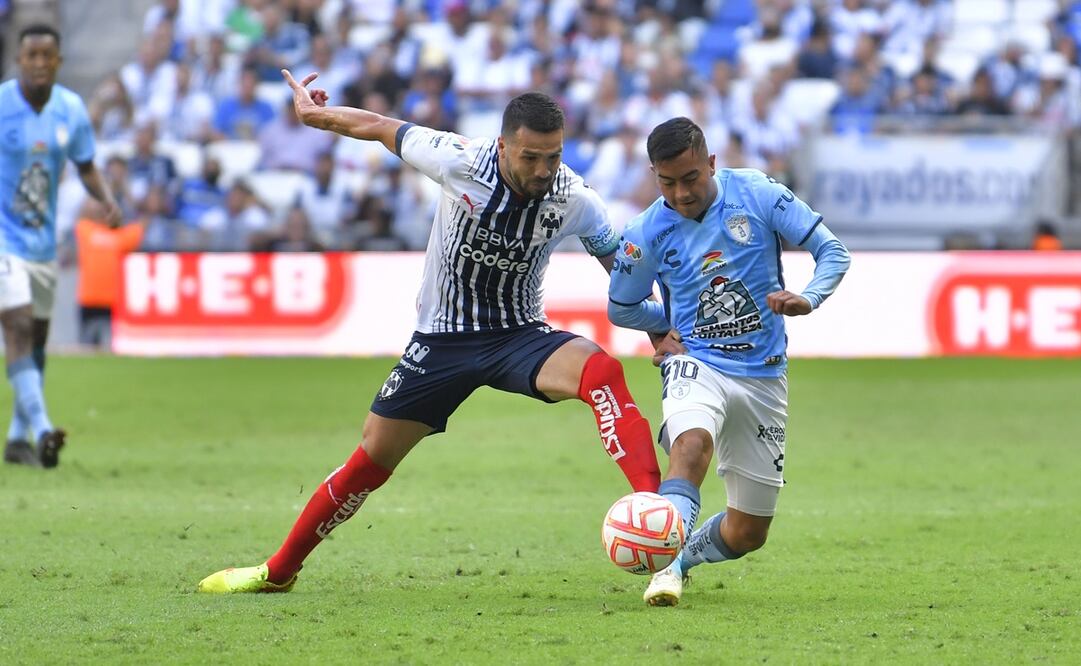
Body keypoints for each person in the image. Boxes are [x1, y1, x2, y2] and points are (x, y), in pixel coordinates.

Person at [196, 71, 662, 593]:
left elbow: (620, 271)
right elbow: (376, 125)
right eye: (530, 157)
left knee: (601, 370)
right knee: (369, 463)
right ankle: (277, 571)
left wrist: (659, 333)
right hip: (441, 340)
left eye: (553, 156)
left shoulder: (576, 197)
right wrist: (312, 115)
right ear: (503, 145)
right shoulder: (457, 159)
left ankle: (656, 521)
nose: (543, 169)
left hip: (519, 333)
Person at [607, 117, 850, 606]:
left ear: (711, 164)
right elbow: (621, 305)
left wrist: (809, 297)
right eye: (667, 182)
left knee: (747, 533)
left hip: (763, 377)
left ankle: (686, 556)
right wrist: (664, 326)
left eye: (691, 178)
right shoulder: (645, 231)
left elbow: (833, 251)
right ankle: (666, 564)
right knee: (691, 447)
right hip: (696, 363)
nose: (680, 193)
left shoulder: (756, 193)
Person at [0, 24, 121, 468]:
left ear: (58, 61)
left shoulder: (70, 109)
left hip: (42, 243)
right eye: (30, 55)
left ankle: (17, 439)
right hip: (3, 241)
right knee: (14, 325)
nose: (38, 63)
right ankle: (45, 428)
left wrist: (106, 199)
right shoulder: (1, 105)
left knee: (35, 342)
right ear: (19, 59)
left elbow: (86, 164)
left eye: (46, 56)